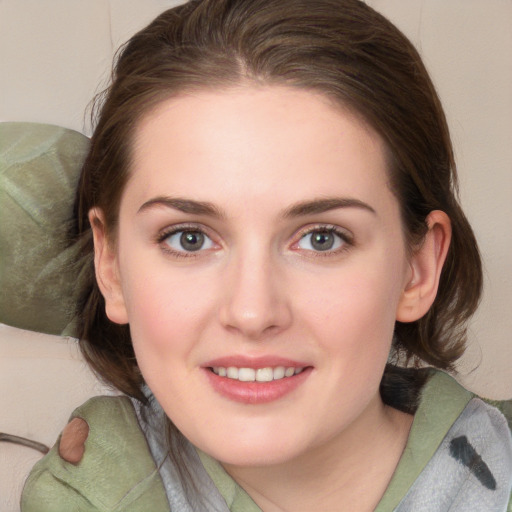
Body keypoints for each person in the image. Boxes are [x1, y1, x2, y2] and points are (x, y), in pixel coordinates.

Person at [21, 0, 512, 510]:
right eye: (188, 238)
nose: (253, 312)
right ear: (111, 267)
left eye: (322, 238)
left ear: (418, 269)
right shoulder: (86, 491)